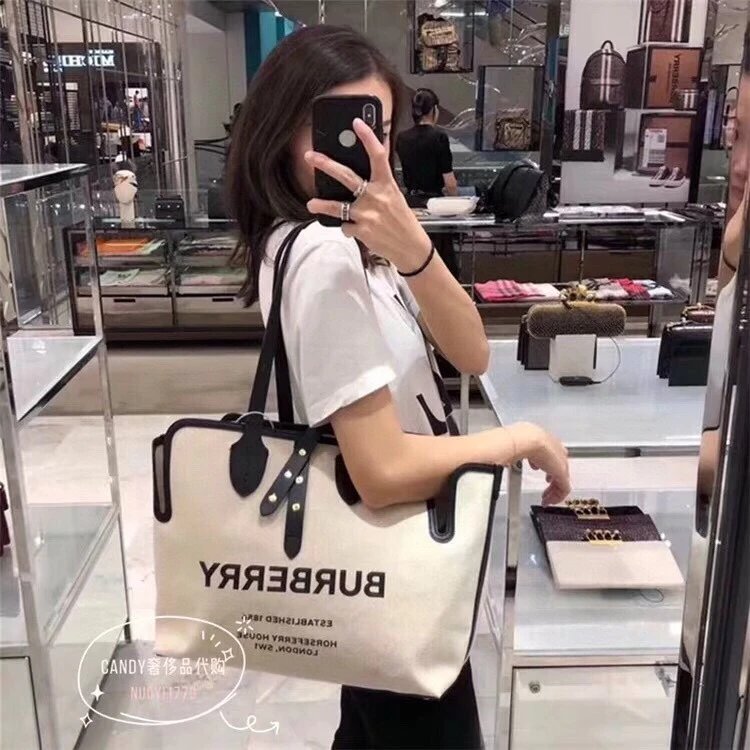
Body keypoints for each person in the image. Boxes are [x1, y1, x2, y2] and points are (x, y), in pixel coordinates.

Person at [225, 25, 569, 750]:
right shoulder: (321, 255)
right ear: (280, 134)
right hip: (393, 563)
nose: (362, 150)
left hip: (385, 561)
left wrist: (414, 248)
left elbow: (471, 353)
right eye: (336, 128)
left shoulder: (354, 245)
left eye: (375, 128)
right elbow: (379, 471)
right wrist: (521, 439)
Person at [397, 88, 461, 279]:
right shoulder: (439, 136)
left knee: (413, 261)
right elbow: (450, 182)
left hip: (410, 206)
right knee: (441, 265)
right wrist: (456, 205)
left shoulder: (402, 138)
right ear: (434, 110)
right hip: (435, 206)